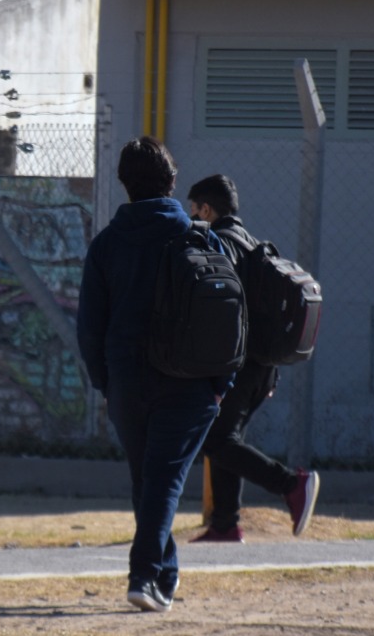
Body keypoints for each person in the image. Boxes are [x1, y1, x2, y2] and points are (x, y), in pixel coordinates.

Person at [77, 136, 226, 614]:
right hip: (190, 382)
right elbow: (229, 314)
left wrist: (107, 382)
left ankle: (165, 576)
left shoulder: (105, 246)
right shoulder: (200, 236)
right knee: (161, 482)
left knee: (150, 481)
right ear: (172, 183)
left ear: (124, 184)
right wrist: (219, 386)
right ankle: (145, 576)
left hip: (127, 381)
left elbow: (89, 328)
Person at [186, 174, 320, 543]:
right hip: (260, 367)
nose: (190, 216)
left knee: (215, 441)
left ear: (207, 210)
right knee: (226, 439)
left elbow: (222, 304)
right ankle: (226, 525)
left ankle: (292, 485)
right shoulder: (254, 244)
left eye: (193, 210)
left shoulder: (222, 244)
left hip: (238, 365)